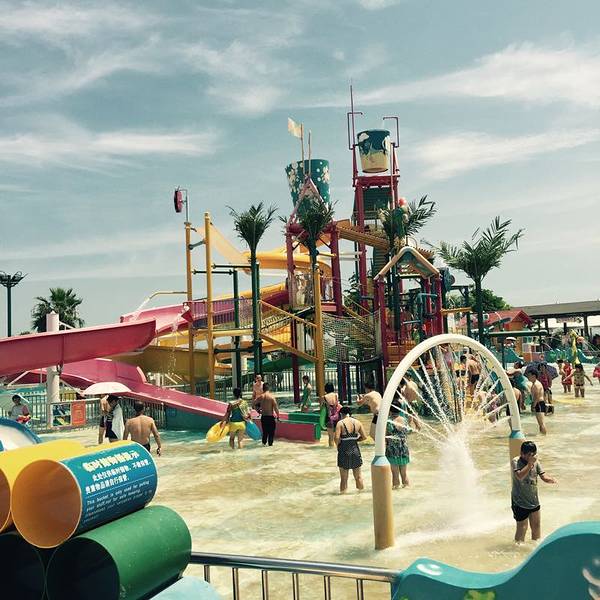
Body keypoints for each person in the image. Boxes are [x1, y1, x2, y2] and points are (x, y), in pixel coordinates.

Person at [511, 441, 556, 542]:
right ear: (522, 453)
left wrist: (550, 480)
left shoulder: (536, 462)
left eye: (534, 454)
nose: (533, 457)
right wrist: (530, 464)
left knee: (536, 526)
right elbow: (519, 476)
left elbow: (543, 476)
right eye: (530, 455)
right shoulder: (515, 461)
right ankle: (518, 548)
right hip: (519, 501)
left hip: (534, 500)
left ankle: (535, 547)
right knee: (522, 528)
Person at [333, 406, 367, 493]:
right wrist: (355, 440)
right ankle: (361, 494)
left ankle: (343, 495)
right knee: (358, 477)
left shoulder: (340, 423)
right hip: (355, 450)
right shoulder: (358, 422)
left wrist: (338, 446)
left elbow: (336, 438)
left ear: (341, 414)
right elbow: (364, 437)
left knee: (344, 478)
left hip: (344, 450)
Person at [385, 403, 411, 488]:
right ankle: (407, 490)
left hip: (392, 449)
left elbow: (385, 435)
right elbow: (407, 433)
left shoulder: (389, 421)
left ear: (390, 410)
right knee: (404, 473)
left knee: (395, 474)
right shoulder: (405, 420)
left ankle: (396, 492)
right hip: (403, 449)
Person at [320, 382, 341, 447]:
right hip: (337, 417)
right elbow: (337, 404)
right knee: (337, 436)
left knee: (331, 437)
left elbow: (322, 408)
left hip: (329, 418)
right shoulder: (336, 395)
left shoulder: (324, 397)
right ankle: (339, 448)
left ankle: (331, 450)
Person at [526, 369, 546, 435]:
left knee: (541, 423)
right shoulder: (535, 383)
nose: (528, 377)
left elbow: (536, 396)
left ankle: (544, 436)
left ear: (534, 376)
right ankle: (542, 435)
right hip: (539, 403)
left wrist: (533, 406)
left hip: (539, 403)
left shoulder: (536, 384)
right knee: (540, 423)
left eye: (529, 375)